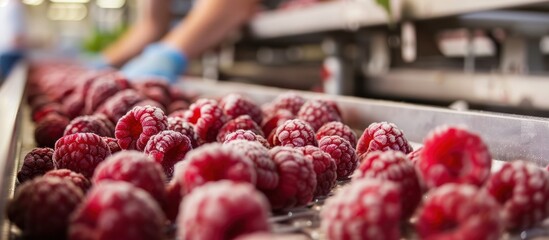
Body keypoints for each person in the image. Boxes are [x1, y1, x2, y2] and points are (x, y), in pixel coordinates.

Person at [94, 0, 261, 83]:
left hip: (254, 53)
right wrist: (105, 60)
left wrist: (169, 53)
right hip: (190, 58)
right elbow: (151, 25)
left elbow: (235, 4)